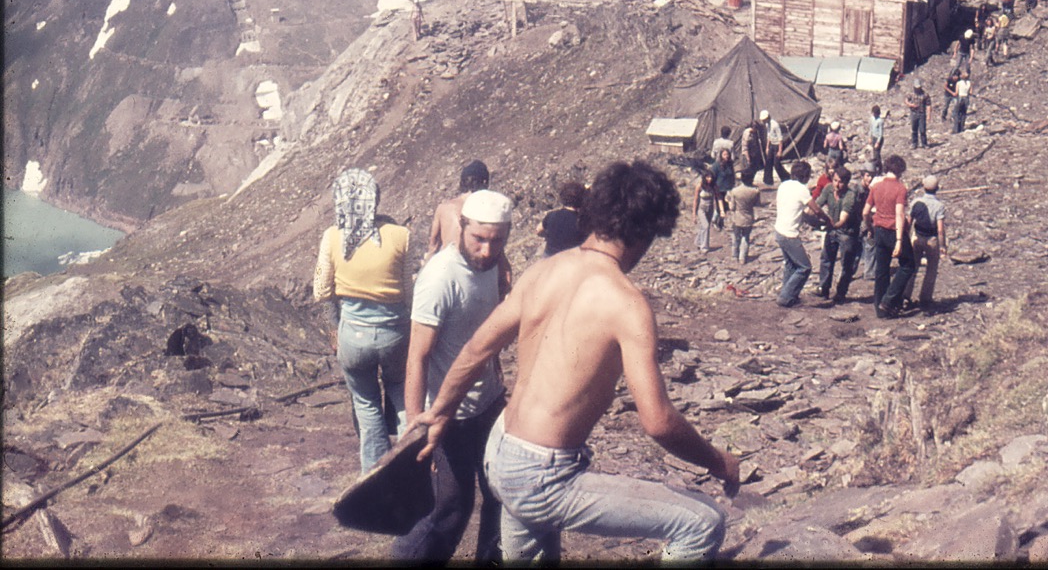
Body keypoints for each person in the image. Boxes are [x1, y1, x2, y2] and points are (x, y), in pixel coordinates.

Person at [410, 161, 738, 563]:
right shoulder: (627, 303)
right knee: (702, 523)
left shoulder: (542, 272)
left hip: (500, 453)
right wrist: (719, 461)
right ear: (647, 233)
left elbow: (476, 350)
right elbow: (657, 421)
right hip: (541, 475)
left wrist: (440, 411)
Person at [395, 190, 514, 562]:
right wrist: (416, 428)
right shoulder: (439, 277)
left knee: (501, 493)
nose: (486, 250)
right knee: (451, 509)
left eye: (496, 240)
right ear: (461, 227)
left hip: (489, 403)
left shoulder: (494, 262)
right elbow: (418, 356)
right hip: (449, 415)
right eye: (478, 239)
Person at [313, 168, 412, 474]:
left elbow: (321, 291)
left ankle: (375, 474)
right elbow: (409, 291)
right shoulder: (400, 235)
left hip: (353, 335)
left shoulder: (332, 237)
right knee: (400, 389)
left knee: (366, 402)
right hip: (395, 332)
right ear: (376, 199)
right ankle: (413, 462)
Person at [862, 154, 915, 318]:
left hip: (878, 230)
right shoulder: (900, 188)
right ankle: (889, 300)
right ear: (900, 171)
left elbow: (865, 212)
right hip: (893, 230)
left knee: (882, 269)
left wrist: (870, 227)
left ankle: (880, 309)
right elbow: (899, 214)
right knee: (908, 265)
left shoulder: (876, 186)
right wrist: (899, 240)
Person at [814, 165, 863, 304]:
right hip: (832, 229)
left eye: (840, 182)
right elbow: (817, 205)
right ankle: (823, 288)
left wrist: (829, 223)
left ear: (846, 183)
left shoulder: (850, 196)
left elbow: (842, 220)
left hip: (847, 232)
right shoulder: (829, 189)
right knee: (826, 258)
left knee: (846, 263)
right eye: (835, 180)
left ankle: (841, 293)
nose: (837, 184)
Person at [774, 161, 818, 308]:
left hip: (779, 230)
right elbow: (816, 210)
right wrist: (827, 220)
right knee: (805, 267)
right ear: (805, 176)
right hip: (789, 234)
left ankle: (787, 295)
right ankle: (786, 297)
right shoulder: (802, 190)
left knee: (791, 265)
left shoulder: (783, 185)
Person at [428, 160, 490, 258]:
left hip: (447, 265)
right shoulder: (484, 210)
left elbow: (433, 245)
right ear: (484, 182)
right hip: (471, 267)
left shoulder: (443, 208)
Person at [906, 175, 947, 313]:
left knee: (912, 267)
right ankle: (925, 298)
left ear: (923, 187)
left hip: (916, 236)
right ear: (937, 188)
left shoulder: (916, 202)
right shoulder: (939, 206)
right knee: (931, 269)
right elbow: (940, 230)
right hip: (931, 239)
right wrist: (942, 246)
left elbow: (909, 221)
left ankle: (906, 296)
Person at [536, 181, 588, 257]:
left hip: (549, 256)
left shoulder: (552, 215)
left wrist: (549, 236)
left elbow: (538, 230)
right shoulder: (582, 222)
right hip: (569, 260)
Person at [726, 174, 761, 265]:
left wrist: (729, 201)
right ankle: (742, 257)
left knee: (736, 237)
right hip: (748, 217)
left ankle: (735, 255)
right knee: (746, 237)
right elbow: (757, 204)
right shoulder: (755, 191)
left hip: (737, 217)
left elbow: (732, 207)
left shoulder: (735, 191)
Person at [691, 169, 718, 253]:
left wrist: (719, 209)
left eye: (710, 177)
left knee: (704, 226)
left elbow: (718, 198)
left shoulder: (714, 186)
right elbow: (695, 200)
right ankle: (704, 247)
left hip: (710, 209)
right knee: (705, 226)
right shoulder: (699, 186)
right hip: (701, 209)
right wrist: (694, 214)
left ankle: (698, 241)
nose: (709, 179)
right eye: (707, 177)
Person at [761, 110, 790, 185]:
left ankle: (786, 178)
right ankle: (768, 180)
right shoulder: (767, 125)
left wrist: (780, 151)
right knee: (768, 162)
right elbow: (769, 136)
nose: (763, 122)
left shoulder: (775, 125)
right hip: (772, 145)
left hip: (777, 145)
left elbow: (780, 138)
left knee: (776, 164)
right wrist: (767, 147)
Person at [711, 148, 736, 223]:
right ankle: (715, 220)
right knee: (720, 207)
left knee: (726, 207)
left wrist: (733, 184)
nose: (726, 156)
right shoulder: (716, 165)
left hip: (728, 189)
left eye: (727, 154)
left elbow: (732, 175)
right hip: (719, 189)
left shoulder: (730, 164)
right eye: (724, 154)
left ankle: (718, 220)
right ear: (721, 155)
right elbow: (712, 176)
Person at [905, 79, 932, 149]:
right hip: (913, 113)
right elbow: (906, 100)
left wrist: (929, 115)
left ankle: (924, 143)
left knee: (922, 130)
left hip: (922, 114)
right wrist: (911, 105)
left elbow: (928, 105)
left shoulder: (925, 94)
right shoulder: (910, 93)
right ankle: (914, 143)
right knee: (914, 129)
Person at [740, 117, 765, 187]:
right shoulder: (748, 133)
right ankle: (746, 183)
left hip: (753, 153)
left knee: (753, 169)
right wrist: (747, 157)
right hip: (747, 153)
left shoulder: (755, 133)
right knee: (747, 169)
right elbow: (745, 146)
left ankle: (750, 182)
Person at [867, 106, 885, 172]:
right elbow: (871, 128)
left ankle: (879, 168)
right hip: (873, 137)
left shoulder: (880, 121)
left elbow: (881, 133)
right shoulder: (872, 119)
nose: (873, 114)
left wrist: (878, 142)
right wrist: (869, 137)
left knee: (877, 154)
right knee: (874, 153)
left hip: (878, 139)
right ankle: (876, 167)